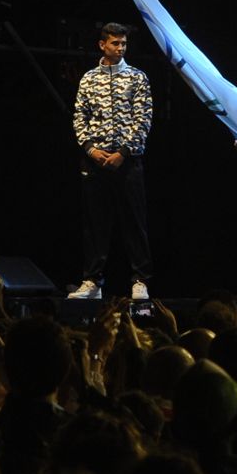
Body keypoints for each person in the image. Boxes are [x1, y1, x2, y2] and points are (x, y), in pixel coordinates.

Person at [68, 23, 155, 300]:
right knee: (95, 224)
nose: (120, 48)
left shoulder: (137, 78)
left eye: (124, 44)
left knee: (134, 222)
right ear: (102, 45)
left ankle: (140, 280)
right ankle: (92, 281)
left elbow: (143, 118)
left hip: (127, 162)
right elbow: (79, 116)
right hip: (95, 161)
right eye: (115, 43)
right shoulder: (89, 78)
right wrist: (90, 149)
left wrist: (124, 152)